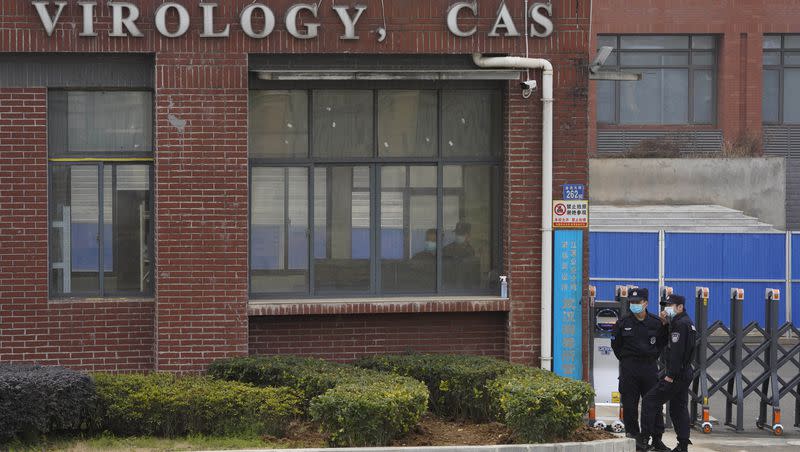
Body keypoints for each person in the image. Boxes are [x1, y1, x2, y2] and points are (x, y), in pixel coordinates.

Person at [610, 287, 670, 452]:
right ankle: (635, 438)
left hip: (649, 367)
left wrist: (651, 356)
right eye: (632, 302)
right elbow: (616, 345)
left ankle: (656, 438)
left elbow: (662, 343)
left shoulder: (656, 322)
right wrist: (627, 360)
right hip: (629, 368)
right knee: (629, 404)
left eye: (637, 302)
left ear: (646, 303)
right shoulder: (623, 323)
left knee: (654, 405)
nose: (634, 305)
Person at [639, 293, 697, 452]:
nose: (666, 309)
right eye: (666, 305)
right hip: (683, 373)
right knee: (678, 408)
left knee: (649, 401)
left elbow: (677, 353)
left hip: (676, 374)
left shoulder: (680, 324)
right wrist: (664, 324)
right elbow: (661, 342)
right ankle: (683, 445)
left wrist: (670, 376)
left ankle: (644, 440)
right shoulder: (681, 322)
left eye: (670, 306)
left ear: (680, 307)